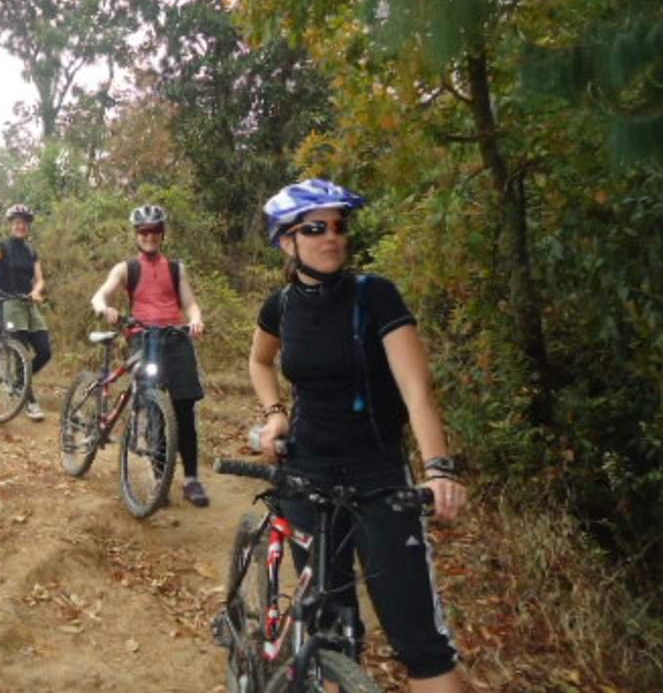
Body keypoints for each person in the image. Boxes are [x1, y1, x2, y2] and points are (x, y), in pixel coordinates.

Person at [248, 179, 468, 692]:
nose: (332, 237)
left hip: (378, 475)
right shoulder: (279, 306)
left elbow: (418, 393)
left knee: (421, 644)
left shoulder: (375, 295)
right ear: (288, 240)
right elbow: (260, 361)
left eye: (340, 226)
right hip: (305, 474)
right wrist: (275, 413)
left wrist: (438, 470)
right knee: (329, 629)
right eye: (316, 228)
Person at [90, 204, 210, 507]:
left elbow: (190, 304)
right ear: (136, 235)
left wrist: (195, 319)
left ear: (162, 234)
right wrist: (105, 308)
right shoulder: (126, 268)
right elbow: (100, 295)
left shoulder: (175, 268)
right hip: (143, 338)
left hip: (175, 338)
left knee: (184, 410)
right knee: (155, 408)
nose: (149, 236)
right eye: (144, 231)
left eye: (155, 230)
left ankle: (192, 479)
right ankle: (160, 479)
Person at [0, 204, 52, 421]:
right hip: (7, 301)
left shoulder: (31, 251)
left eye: (25, 223)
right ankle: (30, 401)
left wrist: (37, 291)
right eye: (17, 222)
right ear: (12, 225)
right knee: (20, 349)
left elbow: (40, 279)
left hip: (27, 302)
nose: (21, 226)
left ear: (28, 226)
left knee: (44, 351)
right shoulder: (3, 247)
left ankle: (19, 381)